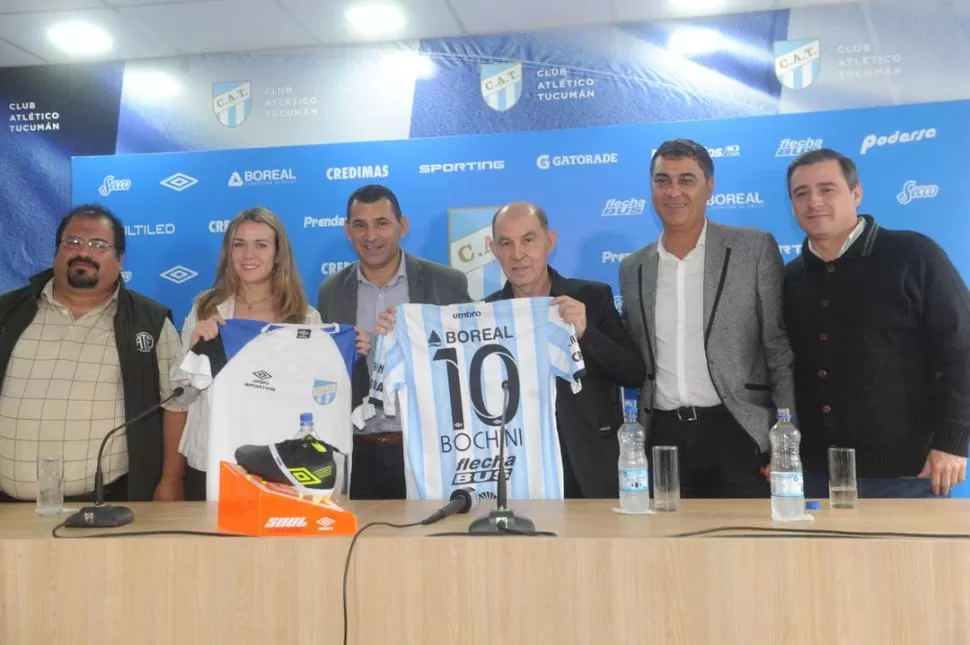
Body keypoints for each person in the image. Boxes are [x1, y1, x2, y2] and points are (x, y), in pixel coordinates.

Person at [783, 148, 970, 497]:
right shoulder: (790, 278)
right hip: (813, 477)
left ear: (856, 193)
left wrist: (953, 440)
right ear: (792, 205)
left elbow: (963, 350)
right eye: (801, 193)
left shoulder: (913, 255)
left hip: (907, 475)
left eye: (827, 189)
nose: (814, 201)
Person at [619, 138, 796, 498]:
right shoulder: (633, 267)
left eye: (686, 180)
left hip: (739, 431)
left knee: (748, 549)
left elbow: (778, 349)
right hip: (663, 439)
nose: (673, 192)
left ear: (710, 186)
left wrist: (787, 441)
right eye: (662, 180)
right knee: (670, 551)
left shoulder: (753, 249)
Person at [0, 204, 186, 503]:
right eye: (72, 242)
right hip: (6, 508)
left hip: (106, 503)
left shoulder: (149, 323)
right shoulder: (7, 313)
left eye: (99, 245)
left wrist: (171, 481)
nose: (83, 253)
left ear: (120, 258)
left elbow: (178, 405)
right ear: (56, 252)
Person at [178, 207, 367, 500]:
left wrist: (350, 358)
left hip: (281, 467)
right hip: (212, 463)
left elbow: (323, 393)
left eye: (260, 245)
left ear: (279, 254)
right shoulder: (205, 310)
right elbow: (179, 396)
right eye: (238, 244)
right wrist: (193, 350)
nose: (247, 254)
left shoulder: (306, 319)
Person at [483, 201, 646, 498]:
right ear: (494, 250)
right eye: (506, 243)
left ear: (550, 241)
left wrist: (587, 332)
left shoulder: (592, 297)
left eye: (528, 240)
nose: (518, 254)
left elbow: (634, 373)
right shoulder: (486, 313)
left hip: (589, 467)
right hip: (520, 470)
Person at [318, 184, 471, 499]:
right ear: (348, 231)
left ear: (403, 226)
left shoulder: (446, 283)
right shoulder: (330, 291)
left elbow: (468, 354)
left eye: (382, 223)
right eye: (360, 225)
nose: (370, 235)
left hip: (429, 447)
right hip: (358, 451)